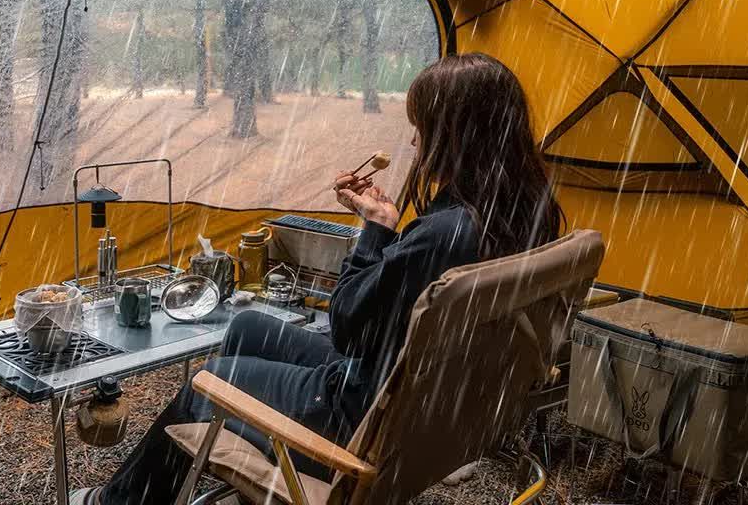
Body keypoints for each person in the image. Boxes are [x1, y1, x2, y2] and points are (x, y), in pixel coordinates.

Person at [71, 52, 564, 505]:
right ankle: (238, 457)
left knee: (206, 385)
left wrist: (373, 230)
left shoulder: (444, 233)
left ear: (456, 135)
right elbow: (396, 311)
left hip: (358, 413)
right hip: (430, 400)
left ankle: (118, 501)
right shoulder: (526, 214)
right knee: (246, 329)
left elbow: (349, 328)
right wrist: (388, 228)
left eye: (423, 128)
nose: (414, 142)